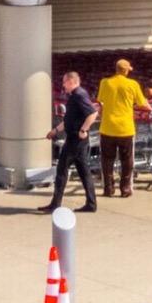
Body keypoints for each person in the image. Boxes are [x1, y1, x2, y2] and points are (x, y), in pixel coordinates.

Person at [44, 71, 99, 213]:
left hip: (76, 140)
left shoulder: (79, 95)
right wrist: (55, 130)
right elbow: (69, 119)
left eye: (64, 82)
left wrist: (83, 130)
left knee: (62, 170)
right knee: (84, 172)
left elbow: (93, 113)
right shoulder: (75, 95)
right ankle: (91, 204)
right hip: (75, 139)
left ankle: (55, 204)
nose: (63, 85)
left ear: (71, 81)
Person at [95, 59, 150, 198]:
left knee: (107, 159)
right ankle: (125, 189)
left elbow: (100, 101)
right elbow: (142, 103)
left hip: (108, 127)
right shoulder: (133, 84)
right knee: (126, 160)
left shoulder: (105, 82)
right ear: (125, 71)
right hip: (125, 128)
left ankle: (108, 188)